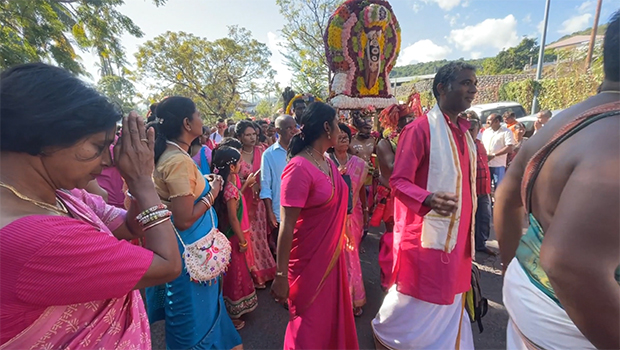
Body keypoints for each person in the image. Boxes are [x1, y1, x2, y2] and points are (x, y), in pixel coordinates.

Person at [0, 63, 182, 348]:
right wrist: (143, 181)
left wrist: (136, 185)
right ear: (44, 135)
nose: (108, 160)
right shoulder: (40, 238)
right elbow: (168, 266)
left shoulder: (61, 196)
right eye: (97, 147)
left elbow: (129, 226)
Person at [495, 12, 620, 350]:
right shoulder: (613, 137)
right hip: (574, 319)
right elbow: (568, 264)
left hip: (531, 291)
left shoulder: (561, 123)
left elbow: (506, 197)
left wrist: (508, 266)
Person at [372, 61, 478, 350]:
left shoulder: (464, 132)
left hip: (459, 240)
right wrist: (429, 199)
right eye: (466, 83)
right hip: (429, 238)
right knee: (412, 304)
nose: (473, 89)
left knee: (452, 299)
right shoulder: (420, 130)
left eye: (474, 83)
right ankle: (385, 340)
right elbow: (399, 181)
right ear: (442, 88)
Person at [146, 96, 242, 350]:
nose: (203, 120)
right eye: (199, 115)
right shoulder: (177, 161)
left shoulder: (176, 155)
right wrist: (213, 192)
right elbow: (185, 218)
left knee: (203, 315)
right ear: (188, 123)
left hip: (191, 253)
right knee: (192, 322)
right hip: (190, 258)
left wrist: (204, 183)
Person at [271, 102, 359, 350]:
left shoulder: (327, 161)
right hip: (307, 264)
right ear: (325, 126)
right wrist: (279, 276)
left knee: (330, 319)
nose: (341, 128)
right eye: (337, 121)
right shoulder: (298, 168)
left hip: (332, 256)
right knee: (308, 326)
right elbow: (286, 227)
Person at [212, 145, 258, 330]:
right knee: (235, 272)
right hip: (232, 238)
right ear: (232, 167)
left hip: (225, 235)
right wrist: (242, 240)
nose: (241, 164)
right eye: (239, 162)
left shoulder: (221, 184)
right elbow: (233, 218)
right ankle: (232, 314)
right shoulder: (230, 189)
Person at [375, 103, 419, 291]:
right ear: (396, 123)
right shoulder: (385, 143)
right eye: (406, 120)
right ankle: (390, 279)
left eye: (412, 119)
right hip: (392, 196)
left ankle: (407, 277)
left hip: (409, 195)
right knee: (393, 236)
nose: (410, 122)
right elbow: (394, 168)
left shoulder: (409, 138)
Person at [329, 123, 368, 316]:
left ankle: (354, 298)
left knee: (352, 257)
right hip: (331, 218)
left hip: (353, 217)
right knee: (334, 258)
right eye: (339, 136)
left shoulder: (360, 164)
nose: (343, 138)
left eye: (346, 136)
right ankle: (337, 299)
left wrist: (366, 213)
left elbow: (360, 193)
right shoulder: (325, 162)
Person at [236, 120, 277, 288]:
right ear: (239, 136)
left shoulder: (263, 151)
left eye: (254, 134)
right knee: (248, 237)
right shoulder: (235, 154)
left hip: (260, 201)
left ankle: (265, 271)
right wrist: (246, 181)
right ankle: (253, 275)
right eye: (247, 135)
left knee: (260, 236)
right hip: (243, 201)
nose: (252, 138)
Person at [260, 115, 298, 254]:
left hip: (302, 210)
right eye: (289, 128)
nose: (294, 131)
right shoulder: (269, 155)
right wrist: (270, 213)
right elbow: (265, 186)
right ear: (278, 130)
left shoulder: (302, 152)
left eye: (295, 127)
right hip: (280, 212)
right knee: (283, 252)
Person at [469, 116, 494, 255]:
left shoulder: (479, 144)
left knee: (484, 217)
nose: (471, 132)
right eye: (469, 129)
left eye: (473, 129)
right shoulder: (463, 144)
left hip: (484, 188)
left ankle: (481, 244)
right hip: (470, 189)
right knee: (470, 220)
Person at [482, 113, 515, 189]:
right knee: (486, 188)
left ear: (497, 121)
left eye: (489, 121)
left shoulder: (506, 132)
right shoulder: (486, 132)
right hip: (486, 164)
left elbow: (509, 148)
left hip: (498, 165)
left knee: (498, 188)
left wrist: (494, 155)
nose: (487, 122)